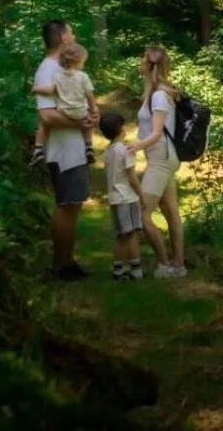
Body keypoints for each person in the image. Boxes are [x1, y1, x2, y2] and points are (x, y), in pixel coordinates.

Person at [31, 20, 95, 280]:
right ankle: (60, 266)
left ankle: (67, 262)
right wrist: (82, 121)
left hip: (73, 148)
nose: (75, 35)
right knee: (66, 205)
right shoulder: (47, 71)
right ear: (63, 39)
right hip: (63, 151)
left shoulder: (61, 69)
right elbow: (46, 116)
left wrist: (89, 118)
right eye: (71, 32)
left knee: (73, 205)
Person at [130, 45, 187, 278]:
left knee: (140, 212)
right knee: (169, 209)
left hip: (161, 159)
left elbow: (156, 133)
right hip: (161, 157)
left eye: (143, 58)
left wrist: (133, 147)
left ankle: (165, 265)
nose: (140, 62)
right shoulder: (153, 93)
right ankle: (179, 264)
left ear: (151, 65)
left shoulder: (160, 95)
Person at [31, 42, 97, 166]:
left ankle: (38, 149)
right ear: (77, 62)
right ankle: (88, 146)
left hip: (64, 112)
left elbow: (50, 90)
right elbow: (89, 96)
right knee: (88, 121)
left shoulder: (57, 76)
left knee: (43, 123)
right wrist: (93, 110)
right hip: (80, 112)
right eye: (83, 62)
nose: (83, 65)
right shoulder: (83, 76)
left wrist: (36, 89)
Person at [99, 111, 145, 282]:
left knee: (120, 235)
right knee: (131, 233)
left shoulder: (108, 151)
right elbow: (132, 178)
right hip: (127, 197)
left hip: (114, 198)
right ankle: (136, 270)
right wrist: (142, 196)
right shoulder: (126, 151)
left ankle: (118, 270)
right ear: (120, 129)